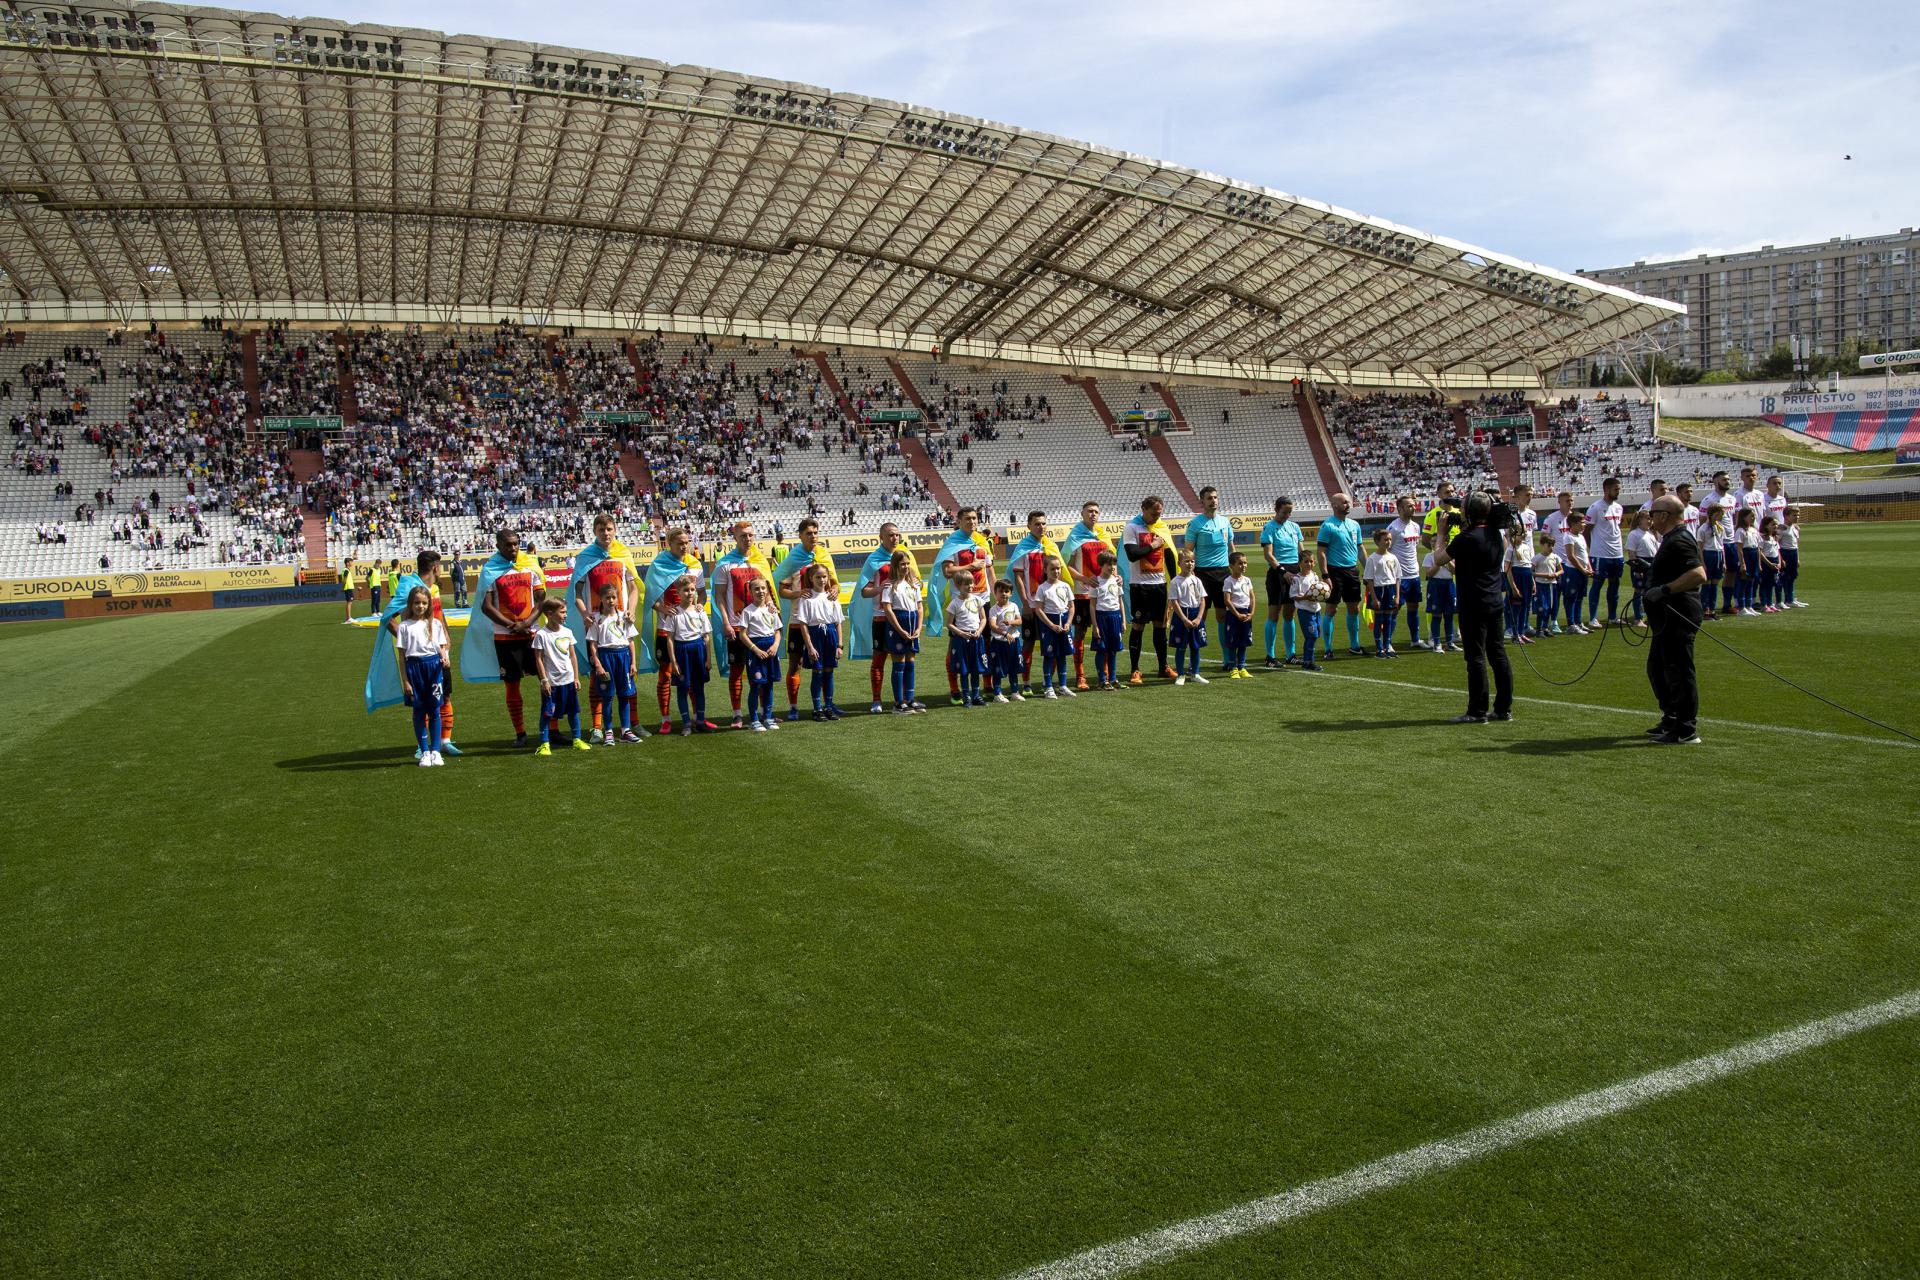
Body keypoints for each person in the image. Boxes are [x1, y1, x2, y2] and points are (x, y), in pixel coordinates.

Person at [1430, 491, 1513, 723]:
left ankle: (1477, 711)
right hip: (1494, 601)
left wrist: (1441, 534)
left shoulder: (1466, 538)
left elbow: (1438, 559)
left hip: (1473, 603)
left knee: (1476, 657)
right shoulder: (1497, 535)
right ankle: (1503, 708)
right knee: (1498, 654)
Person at [465, 529, 546, 746]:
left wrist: (527, 623)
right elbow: (486, 606)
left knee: (547, 681)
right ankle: (520, 733)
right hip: (505, 637)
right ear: (498, 545)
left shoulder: (530, 566)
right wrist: (511, 625)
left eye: (516, 544)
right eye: (508, 545)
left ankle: (549, 729)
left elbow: (541, 601)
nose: (512, 548)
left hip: (532, 634)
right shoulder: (491, 570)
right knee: (512, 685)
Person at [1640, 494, 1707, 744]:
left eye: (1653, 513)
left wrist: (1665, 589)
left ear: (1664, 515)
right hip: (1666, 617)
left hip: (1678, 615)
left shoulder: (1679, 540)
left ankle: (1686, 728)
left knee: (1679, 671)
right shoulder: (1670, 538)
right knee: (1657, 668)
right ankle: (1671, 717)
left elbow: (1698, 574)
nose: (1650, 517)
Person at [571, 515, 639, 741]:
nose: (606, 533)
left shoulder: (623, 555)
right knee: (597, 675)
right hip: (597, 623)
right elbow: (577, 592)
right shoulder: (586, 557)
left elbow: (633, 588)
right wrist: (584, 615)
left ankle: (629, 726)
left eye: (609, 529)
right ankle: (598, 726)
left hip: (620, 622)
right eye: (601, 529)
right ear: (594, 531)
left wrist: (631, 610)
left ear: (615, 529)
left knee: (626, 675)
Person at [710, 520, 776, 729]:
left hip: (760, 629)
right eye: (743, 536)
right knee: (737, 671)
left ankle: (766, 713)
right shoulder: (725, 564)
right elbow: (719, 596)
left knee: (763, 674)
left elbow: (767, 592)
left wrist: (772, 607)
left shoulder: (760, 562)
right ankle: (737, 714)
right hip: (738, 627)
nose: (748, 539)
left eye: (750, 535)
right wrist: (726, 622)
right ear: (735, 538)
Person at [928, 507, 994, 704]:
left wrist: (994, 587)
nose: (972, 522)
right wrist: (969, 567)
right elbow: (947, 571)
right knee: (956, 645)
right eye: (967, 519)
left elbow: (989, 569)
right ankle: (955, 689)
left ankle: (987, 685)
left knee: (986, 642)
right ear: (958, 520)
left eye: (974, 518)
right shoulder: (952, 542)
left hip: (983, 598)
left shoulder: (981, 541)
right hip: (960, 601)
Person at [773, 517, 837, 721]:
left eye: (816, 532)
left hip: (821, 623)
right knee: (796, 664)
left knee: (825, 665)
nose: (813, 536)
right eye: (809, 533)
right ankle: (793, 707)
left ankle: (826, 705)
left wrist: (835, 588)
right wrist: (797, 594)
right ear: (800, 535)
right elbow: (781, 589)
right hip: (797, 621)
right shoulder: (794, 558)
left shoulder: (824, 555)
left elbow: (834, 582)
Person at [848, 522, 906, 713]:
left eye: (897, 535)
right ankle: (876, 700)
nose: (894, 538)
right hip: (881, 617)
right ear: (881, 537)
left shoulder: (904, 557)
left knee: (903, 660)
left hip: (901, 616)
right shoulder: (874, 560)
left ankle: (904, 699)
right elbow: (864, 592)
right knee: (879, 659)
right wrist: (881, 589)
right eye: (890, 535)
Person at [1122, 495, 1180, 683]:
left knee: (1160, 626)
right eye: (1154, 514)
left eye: (1159, 514)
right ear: (1144, 509)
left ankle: (1163, 667)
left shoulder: (1162, 527)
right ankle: (1135, 670)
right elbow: (1132, 555)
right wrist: (1153, 545)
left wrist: (1175, 582)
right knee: (1138, 626)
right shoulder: (1132, 527)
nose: (1156, 517)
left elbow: (1169, 555)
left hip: (1160, 585)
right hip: (1140, 585)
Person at [1008, 510, 1065, 694]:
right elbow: (1018, 577)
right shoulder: (1024, 548)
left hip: (1051, 607)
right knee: (1029, 643)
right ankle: (1026, 683)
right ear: (1029, 526)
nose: (1041, 527)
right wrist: (1025, 602)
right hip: (1032, 605)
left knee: (1054, 644)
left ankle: (1049, 682)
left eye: (1043, 523)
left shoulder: (1051, 547)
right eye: (1037, 524)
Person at [393, 585, 450, 767]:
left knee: (434, 710)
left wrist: (444, 658)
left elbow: (441, 647)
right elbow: (402, 656)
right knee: (418, 711)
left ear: (429, 604)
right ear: (410, 604)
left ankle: (436, 751)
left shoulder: (435, 624)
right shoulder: (404, 627)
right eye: (417, 602)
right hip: (414, 669)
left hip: (433, 669)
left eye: (424, 603)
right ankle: (424, 751)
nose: (420, 606)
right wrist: (405, 681)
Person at [586, 582, 643, 745]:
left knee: (625, 695)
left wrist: (633, 662)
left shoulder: (624, 617)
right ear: (601, 599)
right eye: (607, 597)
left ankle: (626, 730)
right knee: (608, 696)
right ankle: (608, 731)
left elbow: (630, 641)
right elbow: (593, 644)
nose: (611, 600)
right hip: (606, 658)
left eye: (613, 597)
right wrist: (598, 664)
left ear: (618, 598)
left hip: (623, 657)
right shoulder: (596, 619)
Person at [531, 597, 589, 755]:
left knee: (573, 711)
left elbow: (573, 656)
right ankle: (544, 744)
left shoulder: (568, 632)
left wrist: (576, 678)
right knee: (547, 713)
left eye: (565, 612)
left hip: (568, 681)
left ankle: (576, 739)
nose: (565, 615)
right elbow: (538, 659)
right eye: (562, 612)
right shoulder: (542, 635)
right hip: (552, 683)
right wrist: (544, 680)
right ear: (550, 614)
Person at [1182, 485, 1234, 660]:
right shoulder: (1195, 524)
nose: (1213, 501)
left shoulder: (1225, 522)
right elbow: (1188, 552)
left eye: (1215, 497)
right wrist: (1190, 575)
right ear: (1202, 501)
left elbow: (1231, 548)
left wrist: (1234, 569)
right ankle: (1193, 660)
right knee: (1199, 616)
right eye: (1209, 498)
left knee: (1223, 616)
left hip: (1223, 574)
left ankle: (1227, 659)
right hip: (1202, 574)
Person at [1061, 501, 1108, 690]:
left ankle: (1104, 674)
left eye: (1096, 511)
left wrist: (1116, 577)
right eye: (1090, 511)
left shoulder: (1102, 536)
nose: (1093, 514)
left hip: (1102, 594)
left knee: (1102, 633)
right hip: (1082, 593)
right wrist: (1084, 578)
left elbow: (1109, 563)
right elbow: (1067, 566)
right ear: (1082, 513)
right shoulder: (1075, 536)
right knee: (1079, 633)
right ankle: (1080, 675)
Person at [1315, 492, 1364, 660]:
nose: (1347, 505)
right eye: (1344, 502)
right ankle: (1328, 648)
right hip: (1335, 571)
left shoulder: (1354, 525)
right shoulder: (1328, 526)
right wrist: (1325, 574)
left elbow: (1360, 548)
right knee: (1331, 608)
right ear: (1334, 505)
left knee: (1354, 608)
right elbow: (1321, 552)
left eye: (1348, 502)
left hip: (1352, 571)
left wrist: (1369, 570)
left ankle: (1355, 645)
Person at [665, 573, 716, 735]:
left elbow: (706, 636)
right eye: (686, 590)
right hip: (682, 651)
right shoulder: (674, 613)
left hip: (698, 650)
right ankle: (686, 723)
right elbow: (670, 639)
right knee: (683, 688)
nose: (690, 593)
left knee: (699, 688)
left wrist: (708, 658)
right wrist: (673, 662)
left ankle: (700, 721)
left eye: (693, 590)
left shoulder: (700, 612)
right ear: (678, 592)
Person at [878, 549, 926, 713]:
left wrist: (919, 627)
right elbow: (888, 610)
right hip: (898, 625)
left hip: (913, 625)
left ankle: (910, 699)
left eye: (907, 563)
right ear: (895, 566)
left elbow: (920, 608)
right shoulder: (889, 586)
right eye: (902, 564)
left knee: (910, 663)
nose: (905, 567)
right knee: (899, 663)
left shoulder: (914, 584)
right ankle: (898, 703)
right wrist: (899, 629)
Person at [794, 563, 843, 720]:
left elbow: (838, 623)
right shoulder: (806, 599)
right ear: (811, 578)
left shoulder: (832, 597)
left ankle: (828, 706)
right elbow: (803, 624)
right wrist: (809, 647)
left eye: (824, 576)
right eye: (818, 577)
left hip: (830, 635)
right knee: (818, 672)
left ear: (828, 577)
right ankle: (817, 709)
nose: (821, 580)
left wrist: (839, 645)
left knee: (829, 672)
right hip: (815, 636)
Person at [1259, 497, 1303, 667]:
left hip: (1295, 571)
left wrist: (1305, 570)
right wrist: (1282, 571)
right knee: (1274, 614)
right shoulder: (1269, 527)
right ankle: (1270, 656)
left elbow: (1301, 551)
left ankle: (1290, 654)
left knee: (1290, 614)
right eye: (1285, 512)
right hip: (1278, 573)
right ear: (1276, 510)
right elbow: (1268, 555)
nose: (1287, 515)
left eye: (1290, 512)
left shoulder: (1294, 527)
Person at [739, 577, 784, 732]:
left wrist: (776, 645)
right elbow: (742, 634)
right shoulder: (747, 611)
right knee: (756, 685)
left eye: (763, 588)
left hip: (771, 650)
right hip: (756, 651)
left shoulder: (772, 610)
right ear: (751, 592)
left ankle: (768, 717)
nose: (760, 591)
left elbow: (778, 631)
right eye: (756, 589)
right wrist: (755, 649)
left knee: (769, 684)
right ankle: (754, 719)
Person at [1386, 495, 1427, 650]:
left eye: (1413, 505)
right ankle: (1387, 641)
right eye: (1409, 505)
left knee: (1414, 607)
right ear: (1400, 508)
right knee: (1395, 608)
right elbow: (1387, 551)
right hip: (1400, 577)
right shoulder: (1393, 528)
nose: (1413, 508)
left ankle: (1415, 639)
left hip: (1414, 575)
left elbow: (1413, 549)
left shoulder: (1416, 526)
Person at [1584, 476, 1626, 627]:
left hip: (1617, 554)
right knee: (1597, 585)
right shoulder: (1595, 508)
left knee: (1614, 585)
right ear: (1606, 489)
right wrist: (1592, 549)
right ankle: (1593, 618)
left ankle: (1613, 617)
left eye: (1619, 489)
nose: (1618, 492)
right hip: (1600, 554)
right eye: (1616, 489)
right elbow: (1586, 531)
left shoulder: (1619, 507)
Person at [1034, 556, 1077, 698]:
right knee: (1049, 655)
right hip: (1049, 623)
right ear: (1045, 570)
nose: (1056, 571)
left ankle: (1063, 685)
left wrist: (1068, 622)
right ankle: (1048, 687)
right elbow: (1039, 609)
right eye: (1052, 569)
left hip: (1063, 622)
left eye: (1058, 568)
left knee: (1062, 654)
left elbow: (1071, 606)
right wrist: (1051, 625)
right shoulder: (1042, 588)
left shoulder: (1065, 586)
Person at [945, 565, 987, 709]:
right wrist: (961, 633)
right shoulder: (954, 603)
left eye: (971, 583)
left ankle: (976, 695)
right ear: (958, 585)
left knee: (975, 669)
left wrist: (980, 631)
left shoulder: (977, 600)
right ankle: (966, 696)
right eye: (966, 584)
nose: (970, 586)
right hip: (961, 640)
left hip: (976, 638)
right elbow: (949, 623)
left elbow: (983, 619)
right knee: (964, 669)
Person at [1168, 555, 1209, 685]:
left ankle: (1195, 673)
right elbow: (1174, 602)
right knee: (1181, 646)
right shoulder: (1175, 581)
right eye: (1186, 561)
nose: (1190, 564)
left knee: (1195, 646)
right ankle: (1180, 675)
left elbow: (1202, 600)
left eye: (1192, 561)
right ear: (1179, 563)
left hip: (1195, 613)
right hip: (1182, 615)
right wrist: (1184, 619)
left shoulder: (1197, 580)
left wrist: (1199, 617)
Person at [1089, 550, 1126, 690]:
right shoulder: (1096, 582)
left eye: (1114, 564)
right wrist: (1095, 625)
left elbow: (1120, 601)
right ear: (1101, 565)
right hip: (1101, 618)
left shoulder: (1117, 581)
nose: (1111, 567)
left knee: (1113, 650)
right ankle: (1102, 680)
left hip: (1115, 617)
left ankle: (1113, 678)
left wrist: (1123, 620)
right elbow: (1092, 605)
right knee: (1102, 649)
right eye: (1108, 564)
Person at [1363, 528, 1400, 657]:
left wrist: (1397, 596)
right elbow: (1369, 580)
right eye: (1385, 540)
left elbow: (1397, 578)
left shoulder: (1393, 557)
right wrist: (1373, 598)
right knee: (1379, 620)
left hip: (1390, 590)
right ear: (1377, 542)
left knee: (1388, 619)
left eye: (1390, 539)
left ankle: (1387, 646)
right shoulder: (1372, 559)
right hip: (1378, 590)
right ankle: (1379, 648)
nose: (1388, 542)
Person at [1219, 552, 1255, 678]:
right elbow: (1227, 601)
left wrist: (1251, 612)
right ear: (1231, 566)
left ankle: (1242, 667)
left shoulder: (1247, 580)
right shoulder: (1228, 581)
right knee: (1233, 642)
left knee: (1244, 642)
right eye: (1240, 563)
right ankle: (1233, 667)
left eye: (1245, 563)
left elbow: (1252, 597)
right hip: (1234, 615)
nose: (1243, 565)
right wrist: (1237, 614)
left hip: (1245, 613)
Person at [987, 580, 1024, 703]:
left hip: (1014, 641)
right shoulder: (993, 609)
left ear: (1011, 593)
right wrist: (1004, 633)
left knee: (1014, 667)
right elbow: (992, 625)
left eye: (1006, 591)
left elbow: (1019, 621)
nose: (1004, 594)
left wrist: (1011, 622)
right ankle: (997, 693)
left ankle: (1014, 692)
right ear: (995, 593)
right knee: (998, 668)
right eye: (1001, 591)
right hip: (999, 643)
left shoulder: (1014, 606)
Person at [1289, 562, 1328, 672]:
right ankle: (1308, 662)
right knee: (1311, 636)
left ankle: (1308, 660)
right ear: (1300, 563)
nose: (1309, 564)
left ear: (1314, 563)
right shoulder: (1296, 579)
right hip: (1305, 611)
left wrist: (1322, 595)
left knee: (1316, 635)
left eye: (1311, 561)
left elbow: (1318, 590)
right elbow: (1292, 595)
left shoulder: (1314, 576)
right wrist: (1305, 597)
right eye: (1306, 561)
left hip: (1316, 610)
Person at [1625, 509, 1660, 628]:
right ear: (1640, 520)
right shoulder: (1634, 534)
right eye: (1647, 519)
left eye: (1651, 519)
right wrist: (1637, 570)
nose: (1650, 521)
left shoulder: (1651, 533)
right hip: (1641, 563)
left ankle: (1650, 616)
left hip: (1651, 563)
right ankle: (1638, 618)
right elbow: (1631, 553)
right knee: (1639, 591)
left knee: (1650, 591)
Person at [1559, 510, 1592, 635]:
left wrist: (1589, 567)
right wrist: (1583, 569)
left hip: (1582, 571)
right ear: (1573, 524)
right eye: (1582, 522)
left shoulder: (1581, 536)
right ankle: (1571, 624)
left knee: (1579, 598)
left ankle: (1578, 622)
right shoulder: (1568, 536)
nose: (1584, 524)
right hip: (1573, 571)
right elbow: (1571, 556)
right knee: (1571, 598)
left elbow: (1585, 554)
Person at [1422, 541, 1457, 651]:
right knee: (1436, 615)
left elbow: (1455, 571)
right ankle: (1437, 643)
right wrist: (1439, 562)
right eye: (1432, 541)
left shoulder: (1451, 555)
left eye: (1436, 541)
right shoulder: (1429, 556)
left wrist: (1447, 560)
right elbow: (1429, 573)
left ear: (1445, 543)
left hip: (1449, 584)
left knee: (1449, 615)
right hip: (1435, 585)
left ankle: (1449, 642)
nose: (1434, 543)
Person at [1531, 533, 1562, 636]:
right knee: (1542, 607)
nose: (1551, 548)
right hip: (1541, 585)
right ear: (1542, 544)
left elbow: (1561, 570)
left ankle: (1545, 627)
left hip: (1552, 585)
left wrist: (1555, 574)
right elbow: (1531, 572)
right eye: (1549, 545)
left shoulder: (1555, 557)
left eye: (1553, 545)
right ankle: (1539, 629)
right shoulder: (1537, 558)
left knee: (1550, 607)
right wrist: (1544, 575)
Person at [1732, 508, 1761, 616]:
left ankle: (1749, 605)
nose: (1753, 518)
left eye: (1754, 516)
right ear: (1744, 518)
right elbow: (1739, 548)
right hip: (1746, 555)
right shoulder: (1740, 531)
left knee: (1751, 582)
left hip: (1753, 555)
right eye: (1751, 516)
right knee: (1743, 582)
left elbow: (1758, 547)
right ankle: (1741, 607)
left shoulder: (1754, 530)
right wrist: (1742, 563)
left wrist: (1758, 563)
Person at [1779, 506, 1806, 608]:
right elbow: (1777, 544)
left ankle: (1791, 598)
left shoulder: (1795, 528)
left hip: (1793, 553)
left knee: (1792, 577)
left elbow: (1796, 544)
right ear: (1786, 516)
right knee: (1784, 577)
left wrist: (1797, 558)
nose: (1797, 517)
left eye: (1798, 515)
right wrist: (1780, 559)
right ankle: (1783, 600)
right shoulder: (1782, 528)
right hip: (1785, 553)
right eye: (1794, 515)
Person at [1757, 515, 1784, 612]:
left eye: (1776, 524)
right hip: (1767, 563)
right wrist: (1769, 564)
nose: (1775, 526)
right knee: (1764, 584)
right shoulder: (1762, 538)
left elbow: (1778, 551)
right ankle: (1764, 605)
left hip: (1775, 562)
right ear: (1765, 525)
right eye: (1773, 524)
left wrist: (1779, 563)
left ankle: (1770, 603)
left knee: (1772, 584)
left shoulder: (1774, 538)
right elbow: (1760, 552)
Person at [341, 556, 357, 621]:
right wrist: (343, 587)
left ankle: (348, 617)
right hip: (348, 588)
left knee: (349, 602)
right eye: (351, 562)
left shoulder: (347, 570)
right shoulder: (346, 570)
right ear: (347, 563)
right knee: (349, 602)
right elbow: (344, 579)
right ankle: (349, 618)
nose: (352, 563)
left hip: (349, 588)